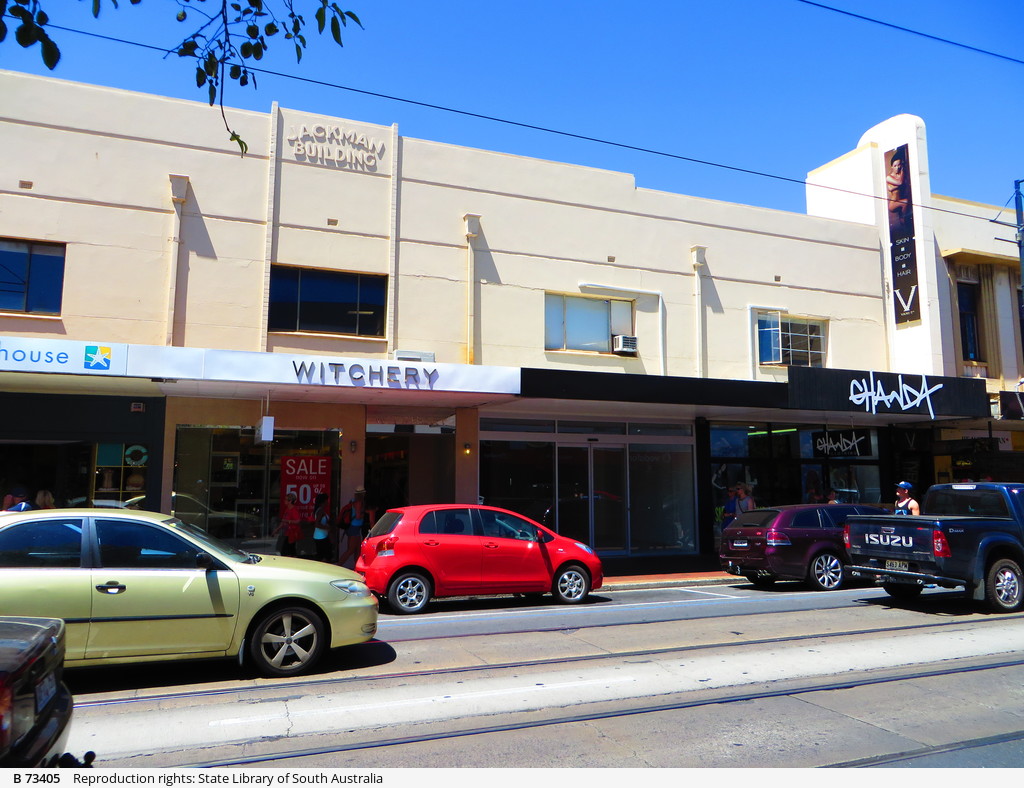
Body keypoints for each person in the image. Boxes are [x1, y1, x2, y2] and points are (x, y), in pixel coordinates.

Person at [337, 486, 376, 568]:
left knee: (357, 551)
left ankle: (356, 568)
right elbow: (358, 516)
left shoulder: (355, 501)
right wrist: (366, 513)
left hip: (355, 528)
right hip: (353, 528)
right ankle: (338, 566)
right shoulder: (358, 503)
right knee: (351, 550)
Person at [272, 492, 302, 556]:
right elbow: (283, 522)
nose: (284, 501)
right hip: (288, 532)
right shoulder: (287, 509)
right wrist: (276, 530)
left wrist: (288, 521)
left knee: (287, 550)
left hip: (292, 533)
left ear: (290, 501)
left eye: (286, 499)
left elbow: (298, 521)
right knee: (288, 550)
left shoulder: (294, 510)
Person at [311, 492, 334, 563]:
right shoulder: (320, 511)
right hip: (321, 537)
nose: (328, 502)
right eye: (327, 500)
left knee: (322, 556)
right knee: (326, 556)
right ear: (324, 501)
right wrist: (326, 527)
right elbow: (317, 524)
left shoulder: (319, 510)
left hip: (320, 536)